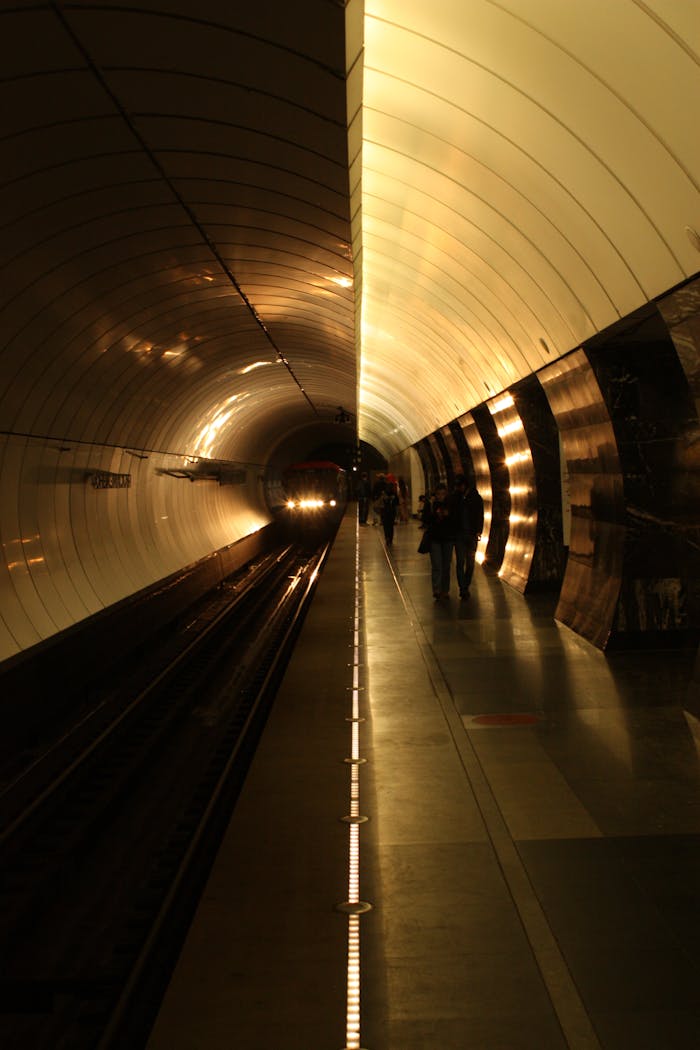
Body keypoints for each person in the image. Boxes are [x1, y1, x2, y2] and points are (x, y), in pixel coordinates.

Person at [450, 474, 484, 599]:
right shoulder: (455, 498)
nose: (459, 488)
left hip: (471, 534)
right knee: (460, 562)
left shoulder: (475, 498)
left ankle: (466, 585)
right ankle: (463, 588)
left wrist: (478, 531)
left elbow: (480, 515)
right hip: (459, 535)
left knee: (470, 564)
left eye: (460, 486)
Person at [425, 483, 454, 599]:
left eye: (443, 494)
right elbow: (425, 519)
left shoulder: (450, 505)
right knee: (437, 565)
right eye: (438, 494)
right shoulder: (431, 505)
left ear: (446, 494)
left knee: (446, 565)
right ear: (435, 494)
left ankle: (445, 590)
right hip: (435, 539)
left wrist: (448, 515)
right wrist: (434, 515)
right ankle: (436, 589)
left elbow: (455, 520)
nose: (441, 496)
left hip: (447, 538)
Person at [379, 479, 399, 546]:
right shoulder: (395, 494)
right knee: (391, 526)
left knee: (385, 526)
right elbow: (397, 504)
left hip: (384, 512)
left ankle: (387, 538)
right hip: (392, 512)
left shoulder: (383, 494)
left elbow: (381, 504)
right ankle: (390, 539)